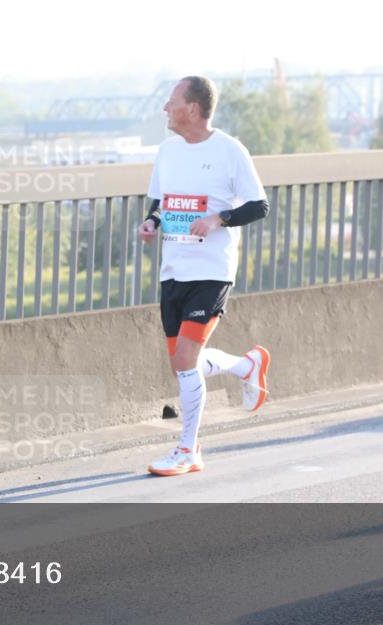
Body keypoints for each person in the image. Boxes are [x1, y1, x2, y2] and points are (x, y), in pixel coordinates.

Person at [139, 76, 271, 477]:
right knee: (183, 364)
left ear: (193, 108)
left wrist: (218, 219)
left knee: (185, 360)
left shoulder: (229, 150)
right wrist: (151, 221)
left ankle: (187, 449)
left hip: (212, 270)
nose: (165, 108)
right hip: (173, 269)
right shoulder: (167, 151)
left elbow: (259, 205)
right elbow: (160, 201)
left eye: (172, 101)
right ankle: (246, 366)